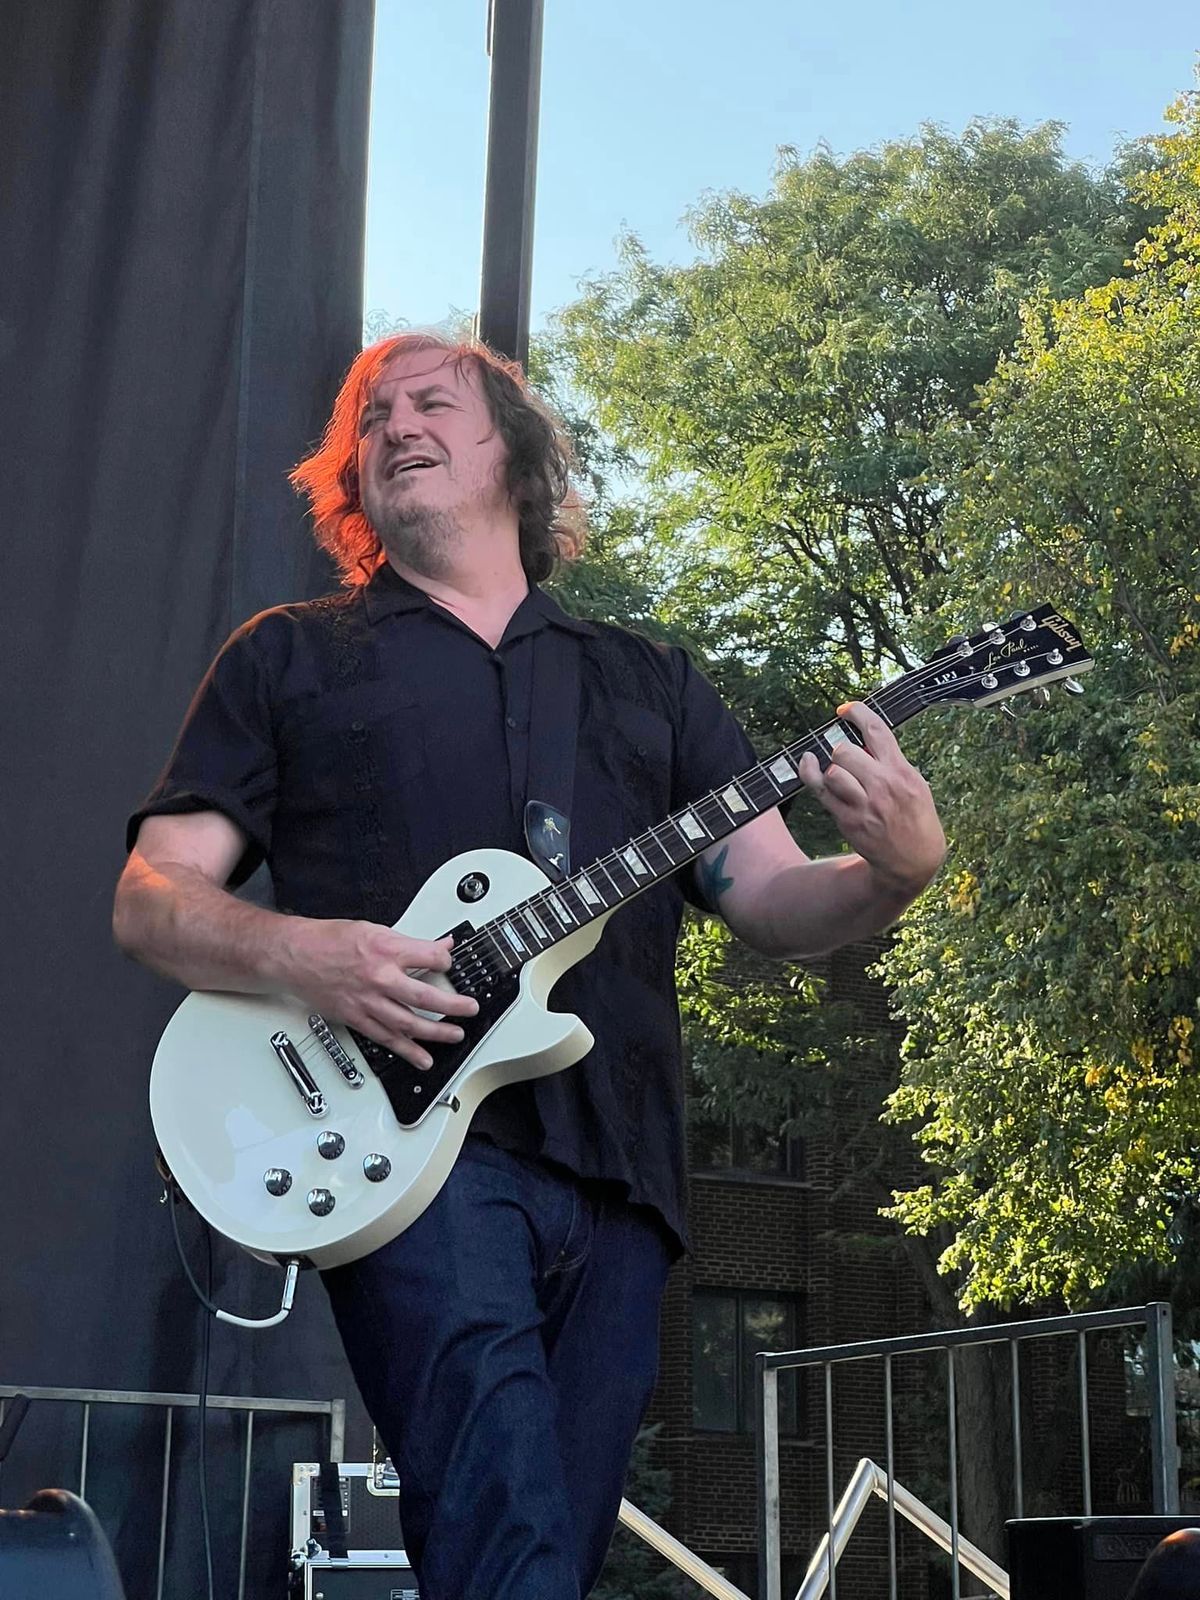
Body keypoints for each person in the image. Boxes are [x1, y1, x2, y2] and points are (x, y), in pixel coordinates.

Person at [113, 331, 946, 1599]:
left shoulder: (650, 682)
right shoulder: (289, 656)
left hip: (622, 1167)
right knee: (507, 1533)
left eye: (430, 403)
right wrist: (307, 952)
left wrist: (892, 873)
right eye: (372, 418)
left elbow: (773, 898)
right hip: (410, 1153)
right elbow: (152, 897)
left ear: (515, 451)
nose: (395, 426)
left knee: (541, 1547)